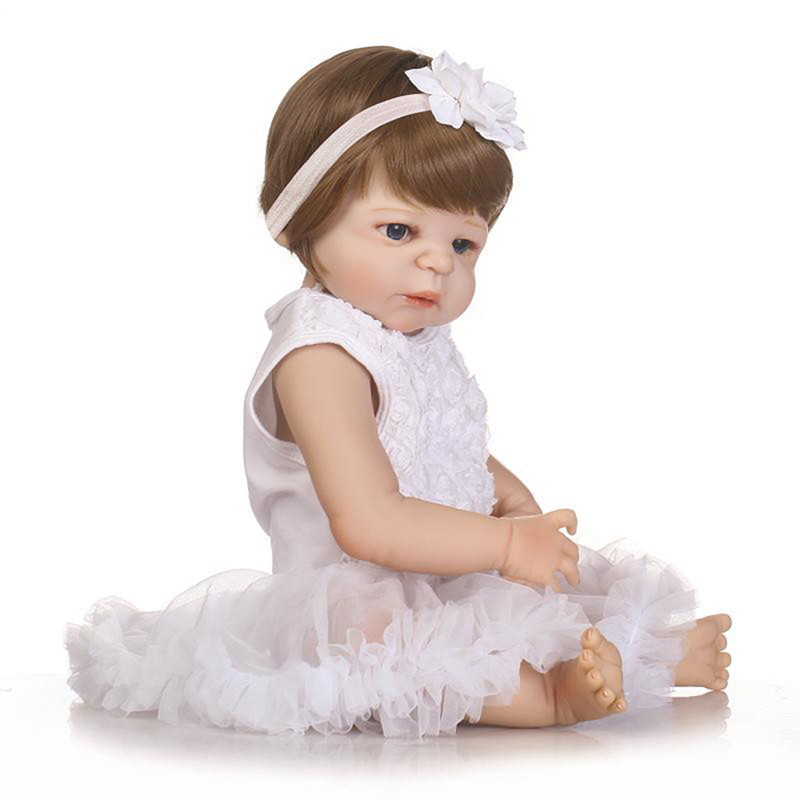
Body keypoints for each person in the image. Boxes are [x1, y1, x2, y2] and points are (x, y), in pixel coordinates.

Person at [64, 45, 732, 739]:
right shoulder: (319, 357)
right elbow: (368, 520)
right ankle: (548, 697)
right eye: (398, 230)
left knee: (548, 586)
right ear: (300, 219)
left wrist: (501, 495)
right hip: (358, 587)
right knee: (388, 641)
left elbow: (429, 434)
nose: (437, 260)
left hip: (443, 566)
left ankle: (644, 653)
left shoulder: (403, 336)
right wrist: (504, 544)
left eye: (464, 244)